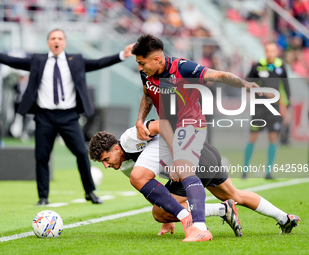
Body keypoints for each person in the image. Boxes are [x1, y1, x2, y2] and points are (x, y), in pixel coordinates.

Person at [0, 29, 134, 205]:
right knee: (42, 156)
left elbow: (98, 63)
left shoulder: (75, 60)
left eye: (60, 38)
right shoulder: (38, 60)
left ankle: (90, 192)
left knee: (80, 152)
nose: (56, 41)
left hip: (68, 116)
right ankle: (43, 197)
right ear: (48, 42)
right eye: (53, 38)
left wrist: (121, 55)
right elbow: (13, 61)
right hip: (44, 116)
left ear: (64, 42)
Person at [131, 34, 262, 242]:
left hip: (190, 124)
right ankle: (193, 216)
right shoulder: (147, 73)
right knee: (138, 176)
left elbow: (218, 75)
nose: (139, 68)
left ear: (157, 59)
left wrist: (244, 84)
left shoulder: (183, 68)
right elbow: (148, 94)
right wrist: (140, 120)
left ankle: (199, 228)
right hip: (167, 128)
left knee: (183, 169)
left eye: (142, 63)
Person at [88, 120, 300, 238]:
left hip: (193, 158)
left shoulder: (131, 138)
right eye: (102, 163)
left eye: (106, 159)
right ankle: (285, 218)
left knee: (158, 213)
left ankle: (221, 210)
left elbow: (162, 125)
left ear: (116, 147)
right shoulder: (126, 165)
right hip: (206, 154)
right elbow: (154, 190)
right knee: (235, 195)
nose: (107, 165)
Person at [243, 41, 291, 179]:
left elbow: (286, 89)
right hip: (259, 107)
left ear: (277, 52)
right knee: (253, 136)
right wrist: (263, 92)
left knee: (273, 137)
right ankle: (245, 170)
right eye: (268, 50)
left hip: (274, 108)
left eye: (273, 51)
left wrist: (287, 109)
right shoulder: (257, 66)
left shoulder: (281, 67)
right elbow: (246, 84)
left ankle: (268, 172)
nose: (270, 53)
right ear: (265, 51)